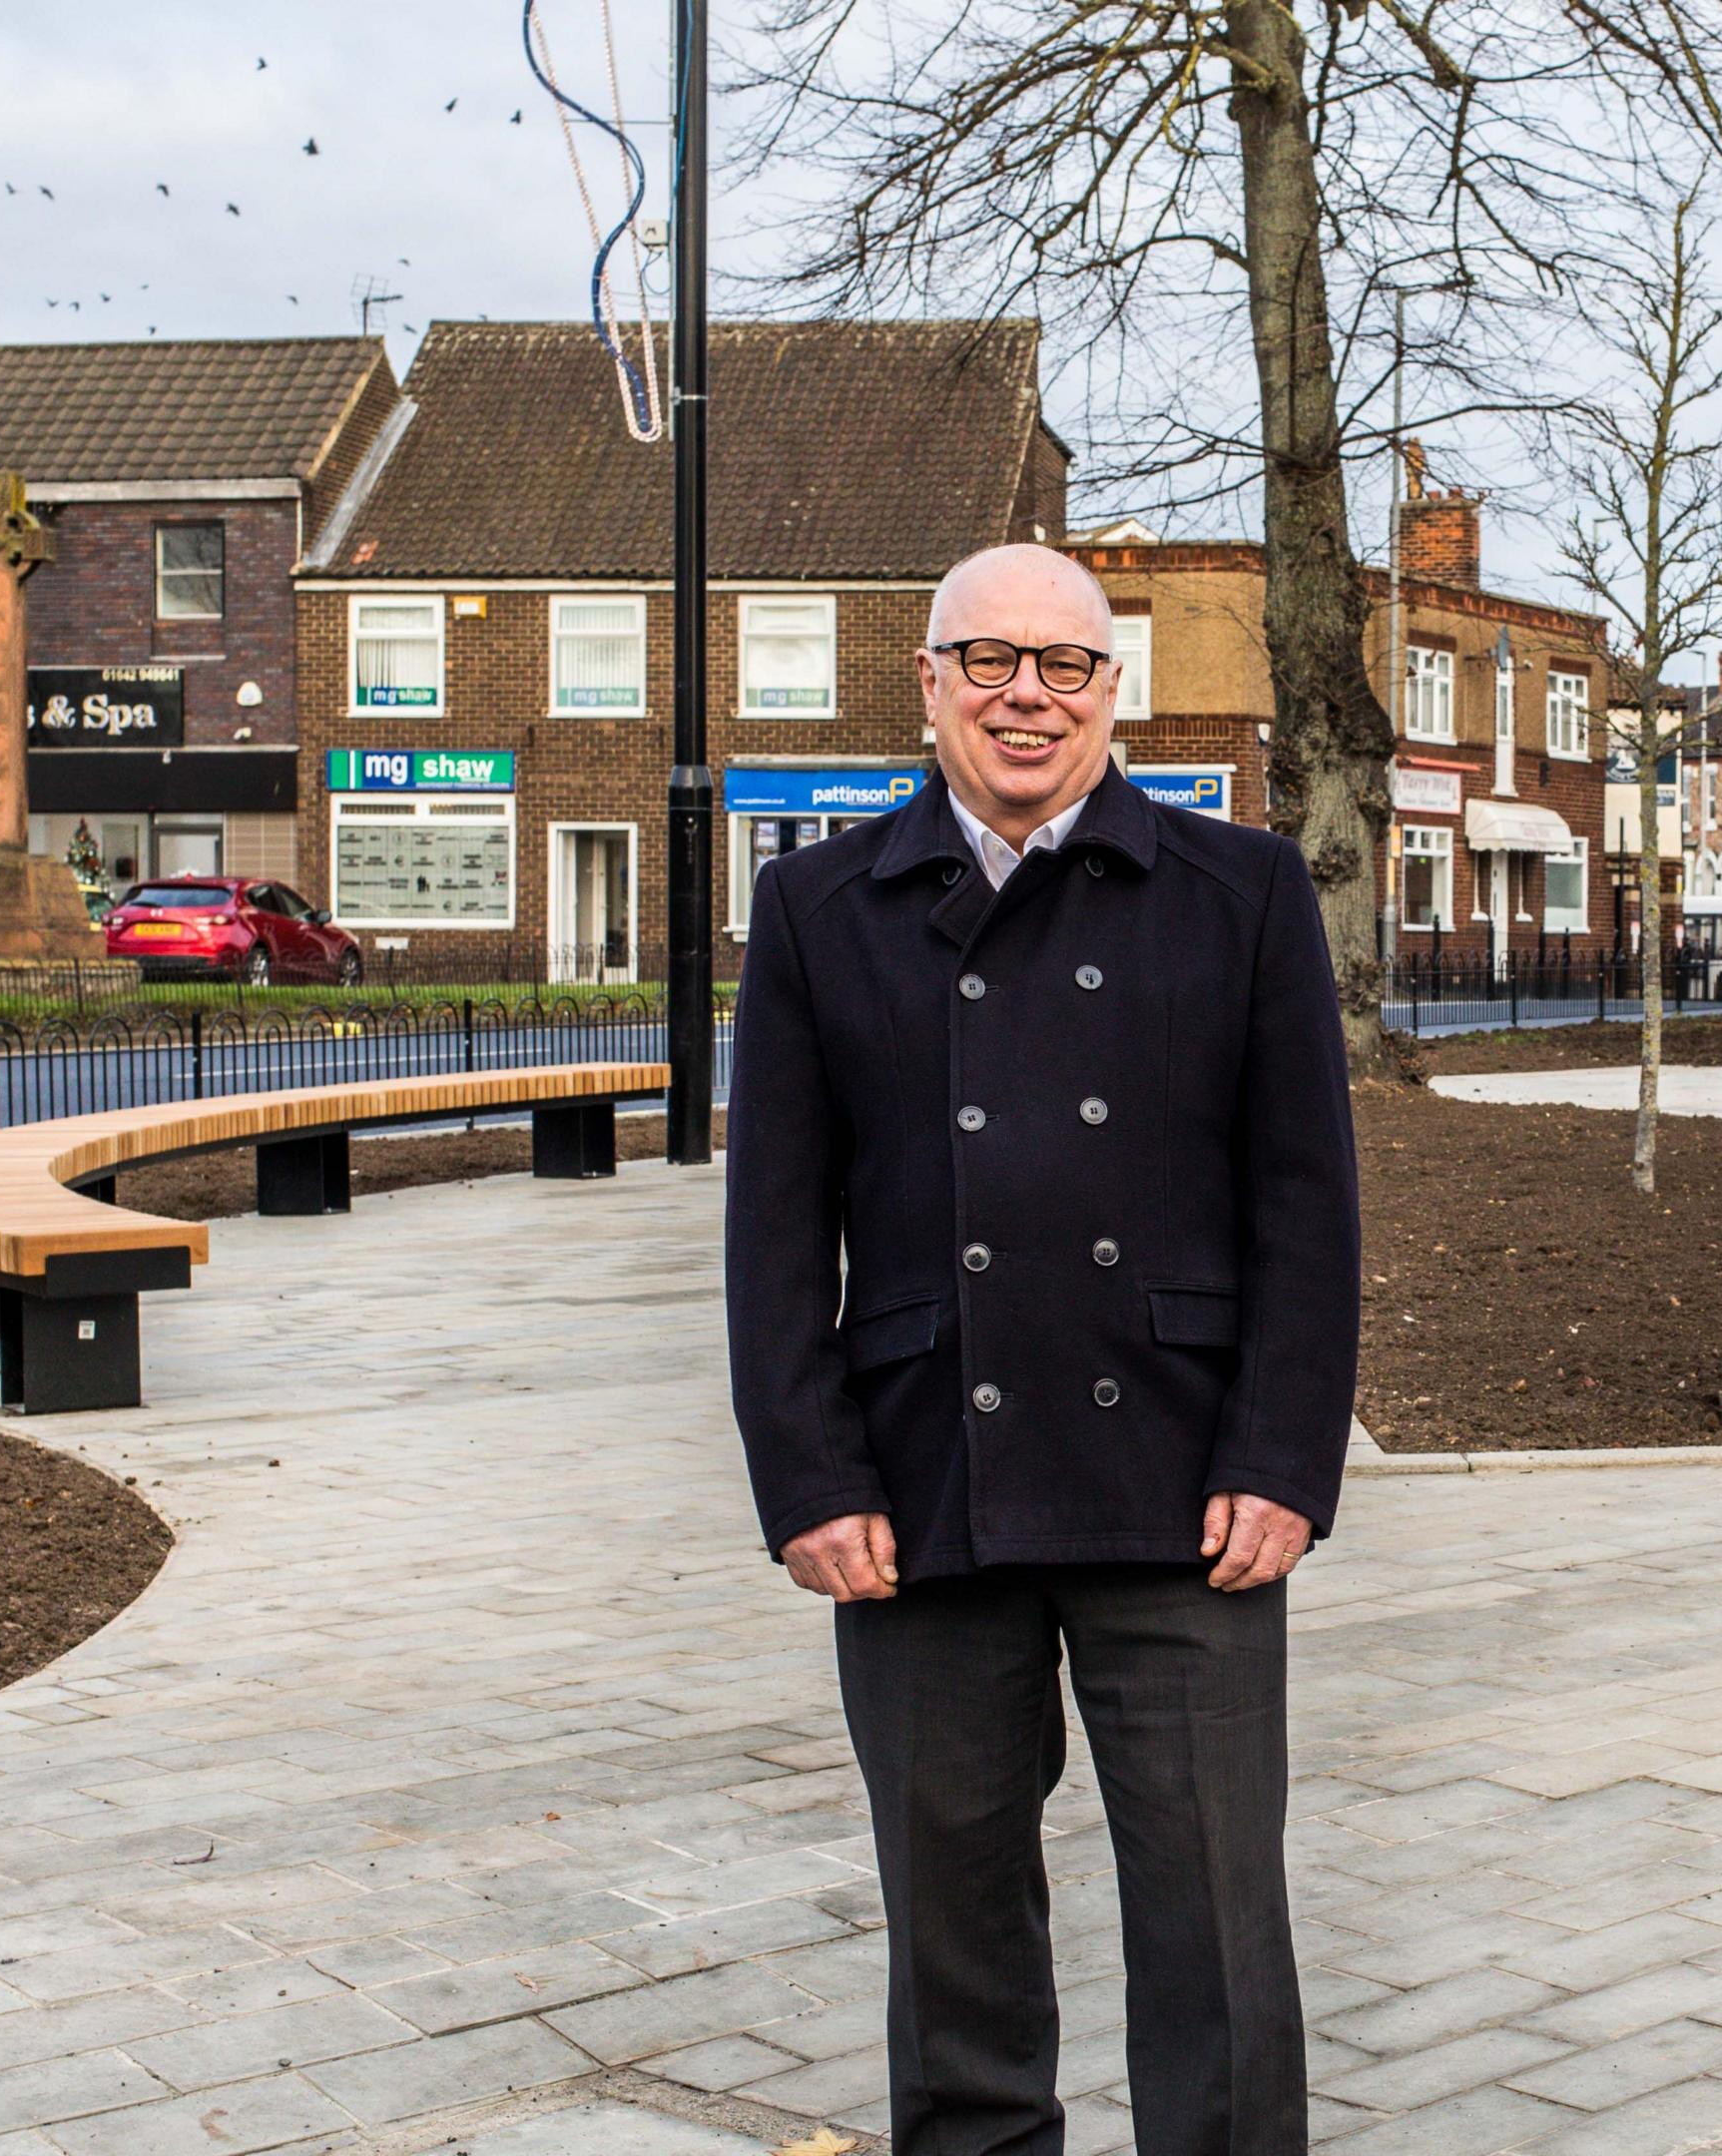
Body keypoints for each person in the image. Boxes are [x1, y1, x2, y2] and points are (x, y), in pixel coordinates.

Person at [725, 543, 1360, 2156]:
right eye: (990, 660)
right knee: (953, 1933)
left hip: (1186, 1490)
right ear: (929, 684)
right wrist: (809, 1477)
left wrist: (1284, 1460)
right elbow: (779, 1233)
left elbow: (1306, 1207)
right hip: (925, 1489)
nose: (1029, 693)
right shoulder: (815, 910)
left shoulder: (1242, 892)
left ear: (1113, 691)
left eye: (1066, 665)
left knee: (1216, 1922)